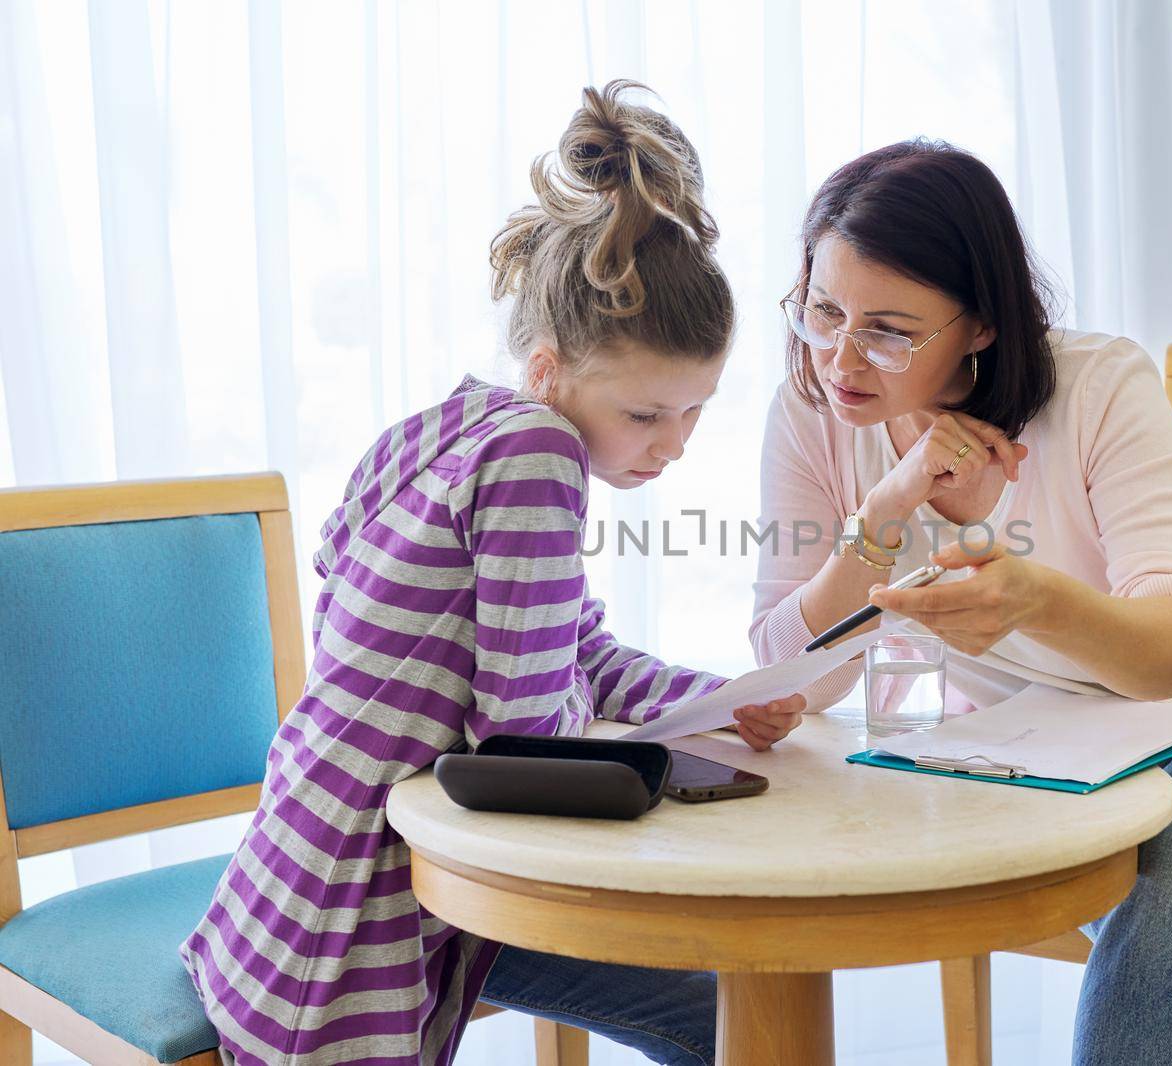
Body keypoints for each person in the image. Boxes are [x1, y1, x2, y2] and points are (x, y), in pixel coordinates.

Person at [180, 81, 799, 1066]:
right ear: (550, 370)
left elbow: (568, 649)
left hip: (283, 878)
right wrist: (641, 742)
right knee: (725, 1009)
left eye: (694, 411)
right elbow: (524, 734)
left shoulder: (441, 431)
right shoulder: (537, 459)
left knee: (707, 994)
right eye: (646, 415)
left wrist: (715, 698)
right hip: (366, 912)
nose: (672, 446)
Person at [750, 138, 1172, 1065]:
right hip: (1080, 736)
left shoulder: (1098, 386)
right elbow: (786, 676)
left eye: (888, 329)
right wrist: (886, 507)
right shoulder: (813, 412)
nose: (841, 355)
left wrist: (1034, 601)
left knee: (1168, 879)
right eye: (822, 309)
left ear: (980, 326)